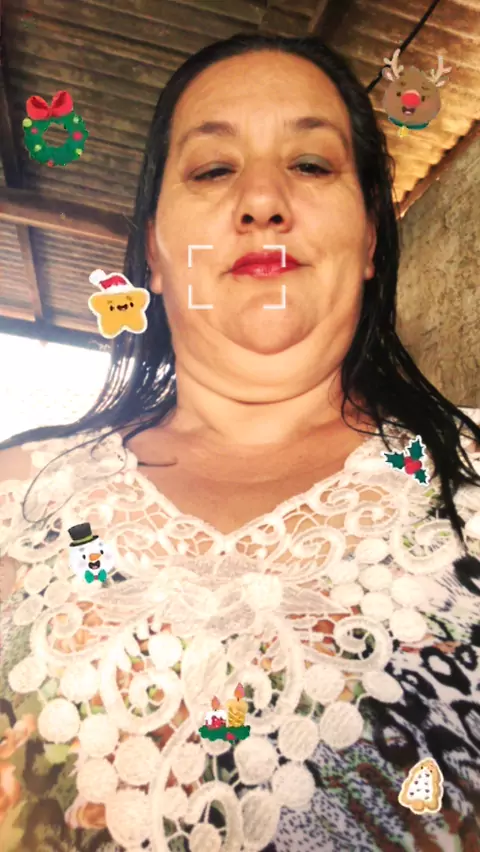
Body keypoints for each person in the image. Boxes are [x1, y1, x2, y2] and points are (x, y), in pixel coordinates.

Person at [0, 32, 479, 852]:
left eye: (312, 164)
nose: (262, 200)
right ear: (155, 250)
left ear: (371, 238)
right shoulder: (20, 500)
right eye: (214, 169)